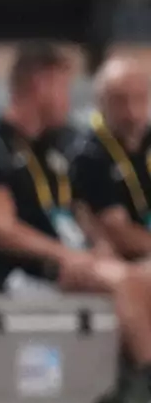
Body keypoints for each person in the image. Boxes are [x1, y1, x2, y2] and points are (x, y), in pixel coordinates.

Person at [0, 42, 151, 396]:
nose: (69, 99)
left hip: (71, 263)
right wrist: (67, 256)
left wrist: (99, 247)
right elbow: (0, 229)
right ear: (40, 85)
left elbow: (78, 212)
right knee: (126, 281)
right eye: (63, 87)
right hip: (23, 275)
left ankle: (124, 392)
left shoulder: (57, 147)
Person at [70, 57, 151, 262]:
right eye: (120, 101)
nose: (132, 113)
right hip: (129, 261)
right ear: (100, 103)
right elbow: (120, 234)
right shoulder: (89, 154)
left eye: (139, 99)